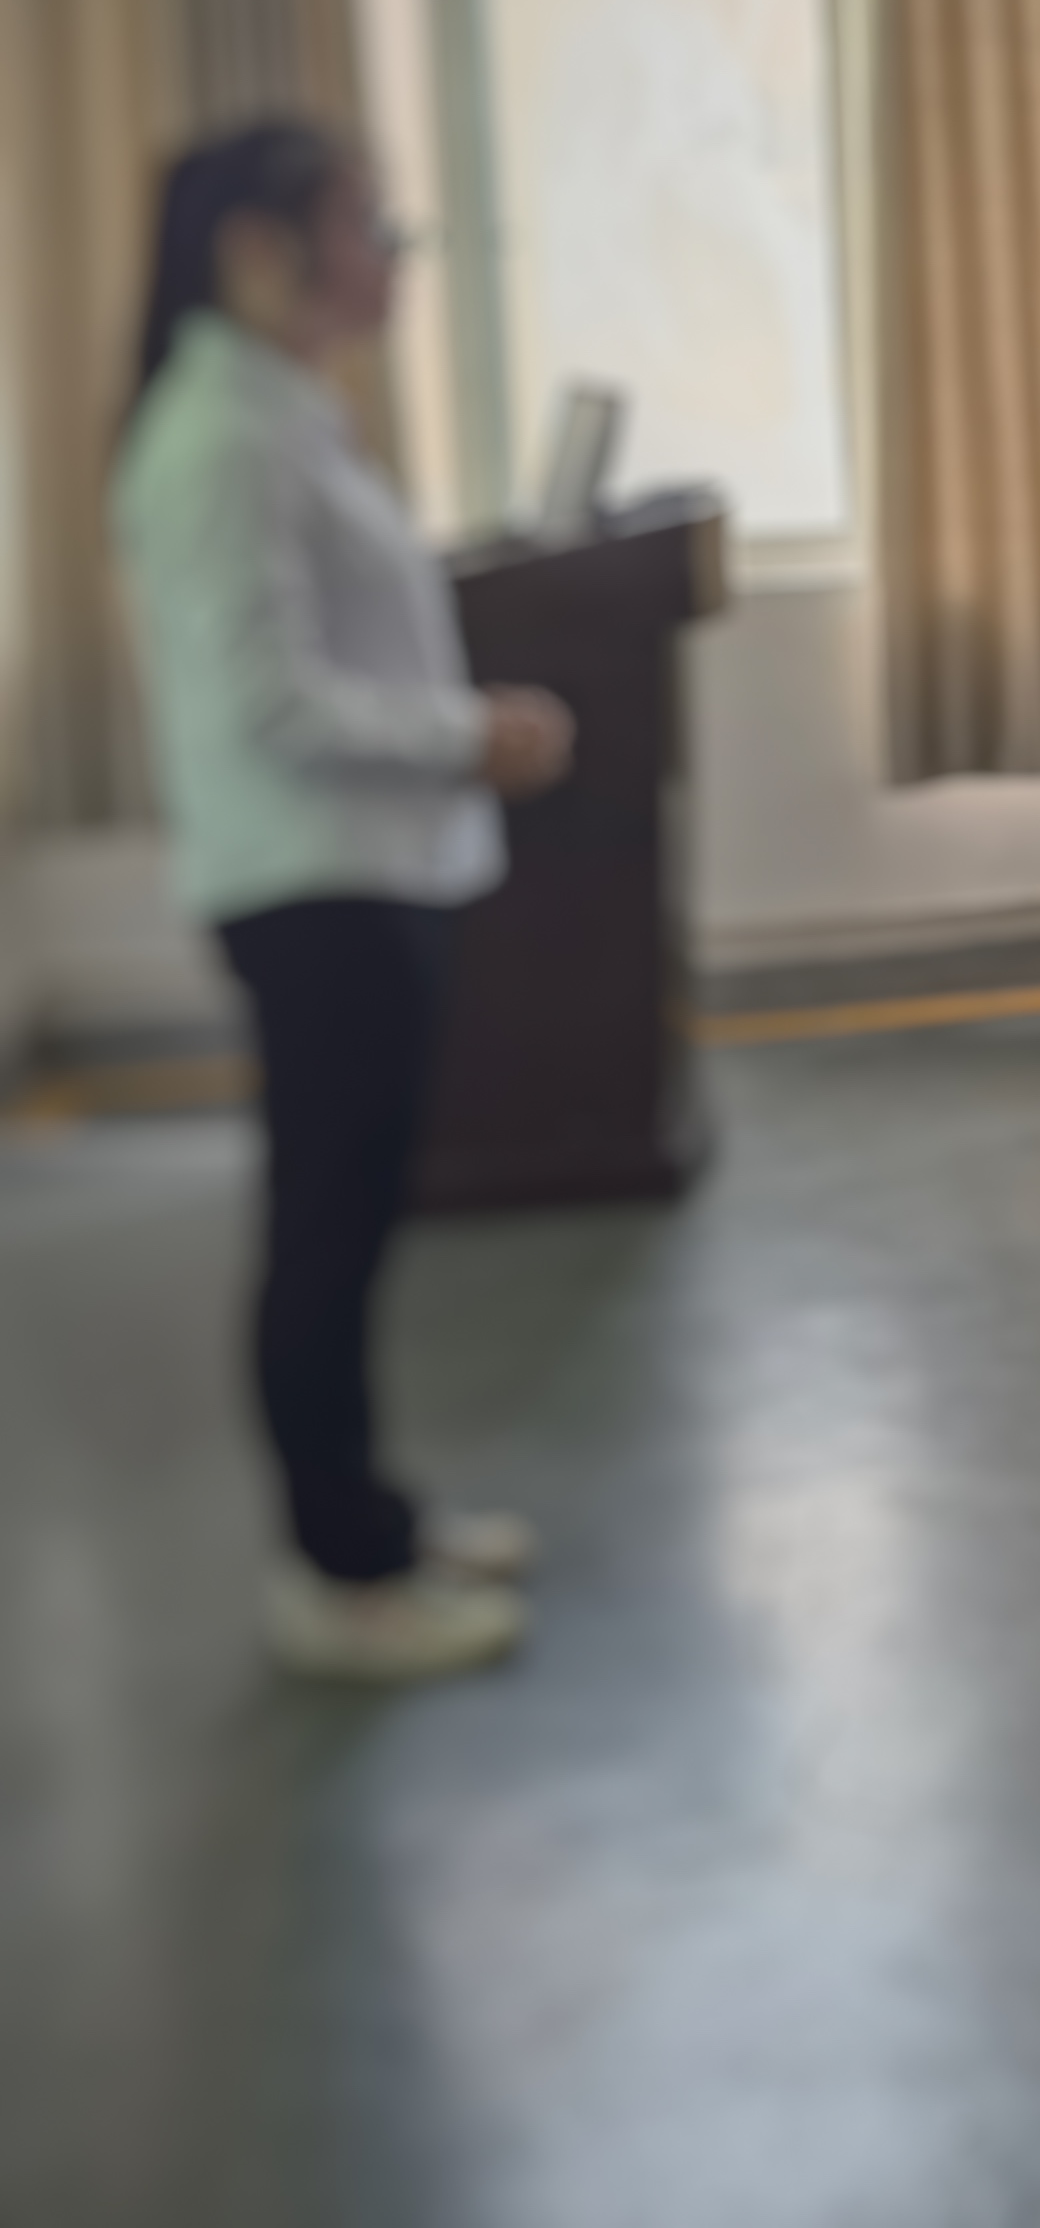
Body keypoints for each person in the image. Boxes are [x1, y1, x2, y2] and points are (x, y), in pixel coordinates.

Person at [110, 121, 578, 1684]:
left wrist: (456, 732)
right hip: (313, 889)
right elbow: (268, 702)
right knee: (324, 1230)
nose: (391, 259)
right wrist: (469, 736)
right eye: (366, 227)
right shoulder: (217, 437)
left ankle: (371, 1520)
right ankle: (335, 1580)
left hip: (363, 874)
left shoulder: (279, 411)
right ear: (258, 250)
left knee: (353, 1225)